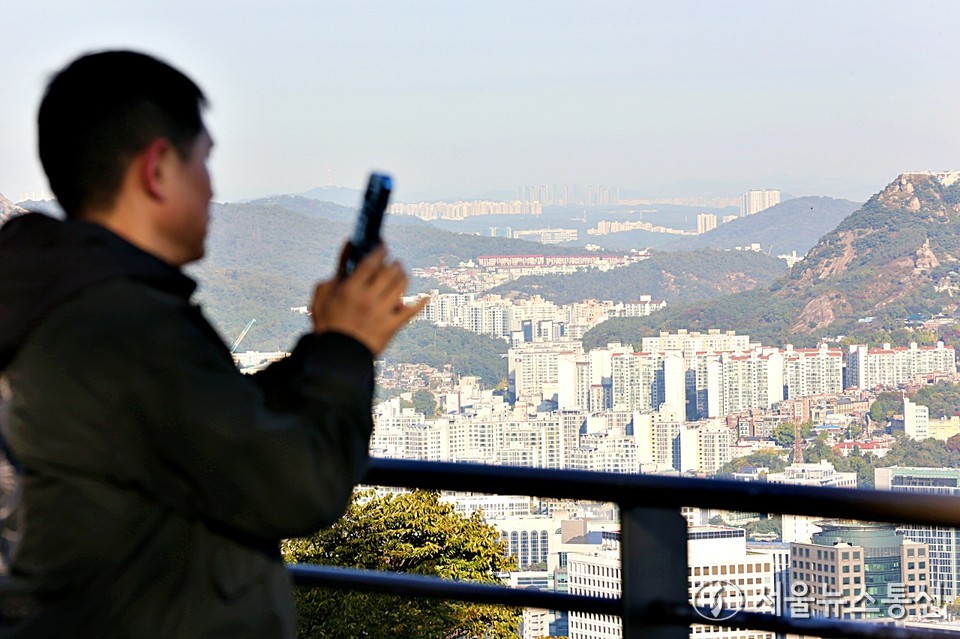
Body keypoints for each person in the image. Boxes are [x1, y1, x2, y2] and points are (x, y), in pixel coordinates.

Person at [0, 50, 425, 637]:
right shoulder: (124, 327)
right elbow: (302, 486)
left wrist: (326, 344)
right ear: (156, 169)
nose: (210, 186)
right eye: (202, 161)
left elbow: (212, 423)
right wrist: (345, 351)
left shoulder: (74, 301)